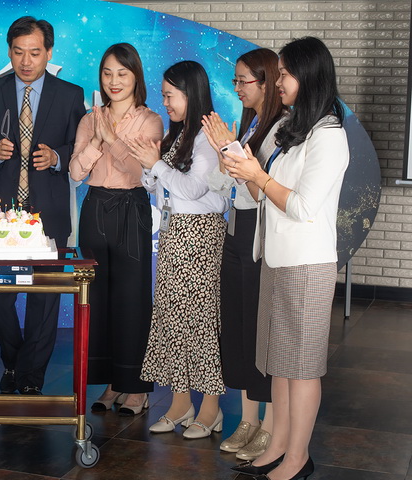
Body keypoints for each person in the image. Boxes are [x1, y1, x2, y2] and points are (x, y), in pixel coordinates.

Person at [223, 36, 348, 480]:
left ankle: (298, 459)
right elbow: (263, 197)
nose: (278, 82)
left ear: (309, 76)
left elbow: (302, 206)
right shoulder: (293, 129)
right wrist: (240, 166)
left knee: (302, 368)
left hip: (306, 264)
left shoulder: (329, 136)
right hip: (275, 258)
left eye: (286, 74)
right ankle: (276, 447)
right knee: (277, 362)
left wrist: (257, 175)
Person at [0, 16, 85, 395]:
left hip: (50, 212)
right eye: (18, 52)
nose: (26, 61)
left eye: (35, 53)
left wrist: (58, 157)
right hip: (2, 216)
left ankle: (31, 377)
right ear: (9, 52)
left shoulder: (70, 94)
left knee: (44, 299)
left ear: (49, 52)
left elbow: (80, 147)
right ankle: (14, 361)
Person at [129, 61, 227, 439]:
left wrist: (156, 165)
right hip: (174, 235)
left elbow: (191, 189)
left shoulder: (207, 138)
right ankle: (180, 403)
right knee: (172, 318)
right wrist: (150, 168)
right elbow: (161, 189)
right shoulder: (178, 134)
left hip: (200, 236)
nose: (166, 102)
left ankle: (211, 409)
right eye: (164, 95)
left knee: (201, 321)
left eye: (171, 95)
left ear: (191, 93)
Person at [201, 48, 286, 459]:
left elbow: (263, 191)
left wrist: (230, 150)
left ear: (266, 81)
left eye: (243, 80)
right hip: (236, 228)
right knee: (237, 325)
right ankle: (248, 419)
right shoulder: (251, 123)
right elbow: (228, 185)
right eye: (234, 80)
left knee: (259, 328)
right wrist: (226, 152)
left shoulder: (283, 127)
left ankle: (271, 425)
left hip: (262, 233)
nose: (236, 88)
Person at [69, 43, 162, 416]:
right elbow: (76, 172)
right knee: (99, 297)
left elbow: (142, 172)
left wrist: (111, 140)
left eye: (122, 73)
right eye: (107, 73)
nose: (114, 81)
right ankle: (111, 382)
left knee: (131, 297)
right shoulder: (90, 119)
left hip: (131, 207)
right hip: (94, 207)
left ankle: (136, 388)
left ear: (136, 76)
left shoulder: (150, 121)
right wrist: (96, 140)